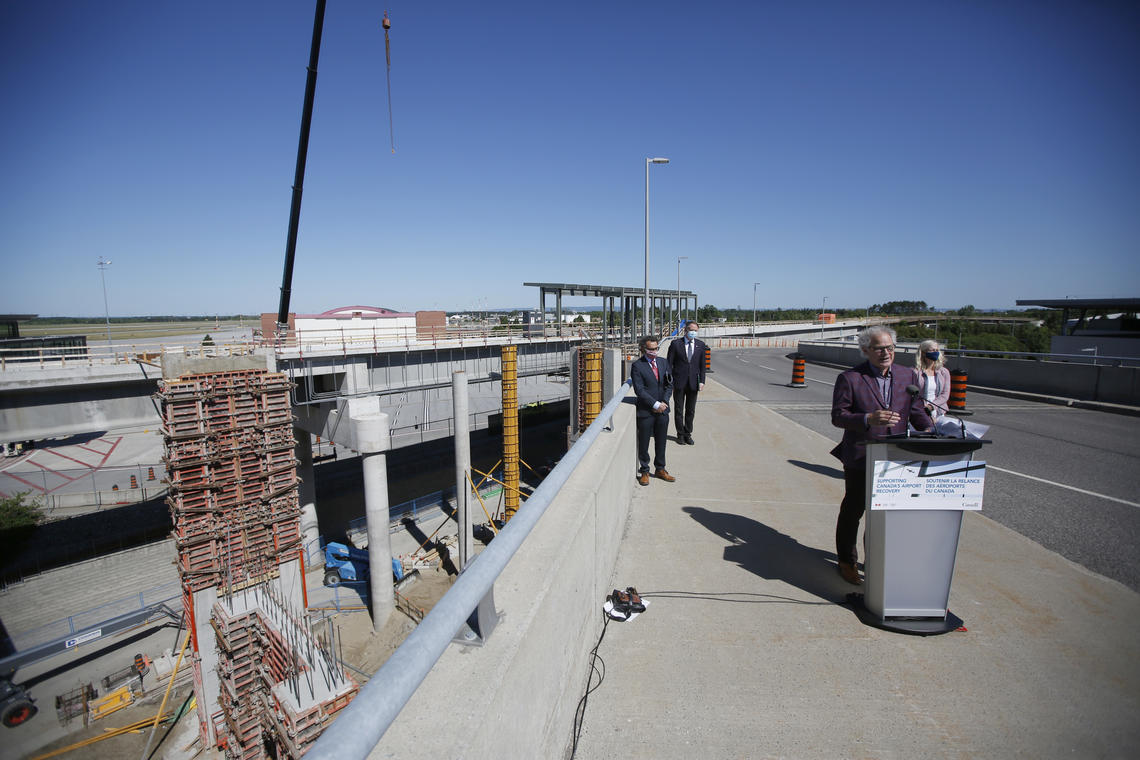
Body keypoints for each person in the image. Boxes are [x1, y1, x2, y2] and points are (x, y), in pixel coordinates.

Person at [830, 326, 932, 585]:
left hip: (896, 457)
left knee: (884, 513)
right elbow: (838, 417)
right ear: (865, 351)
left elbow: (916, 410)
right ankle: (847, 561)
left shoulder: (908, 375)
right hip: (862, 455)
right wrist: (867, 419)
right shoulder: (851, 378)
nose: (886, 353)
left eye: (890, 348)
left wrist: (931, 430)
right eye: (879, 348)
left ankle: (874, 561)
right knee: (854, 510)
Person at [630, 335, 674, 486]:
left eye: (656, 348)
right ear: (643, 349)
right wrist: (654, 404)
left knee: (661, 441)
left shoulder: (663, 362)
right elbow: (639, 390)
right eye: (651, 349)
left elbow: (669, 384)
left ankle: (660, 469)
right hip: (646, 411)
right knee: (644, 442)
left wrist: (664, 402)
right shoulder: (637, 366)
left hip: (663, 410)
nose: (654, 351)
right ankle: (644, 471)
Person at [666, 320, 707, 445]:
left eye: (695, 330)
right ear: (685, 330)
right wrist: (670, 381)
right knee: (679, 410)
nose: (693, 332)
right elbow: (669, 364)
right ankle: (680, 435)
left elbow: (702, 366)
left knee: (690, 410)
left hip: (694, 383)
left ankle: (688, 433)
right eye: (691, 330)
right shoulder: (675, 344)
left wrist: (702, 381)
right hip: (679, 382)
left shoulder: (700, 345)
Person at [913, 339, 951, 419]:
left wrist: (932, 406)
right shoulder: (915, 372)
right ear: (923, 353)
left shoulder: (943, 372)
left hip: (938, 412)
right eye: (933, 350)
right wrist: (924, 409)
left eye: (937, 350)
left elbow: (945, 394)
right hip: (921, 412)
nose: (936, 352)